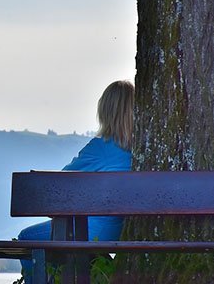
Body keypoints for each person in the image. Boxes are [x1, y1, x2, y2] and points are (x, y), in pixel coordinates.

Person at [17, 80, 134, 283]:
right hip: (123, 230)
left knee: (27, 238)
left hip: (96, 230)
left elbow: (60, 184)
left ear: (105, 111)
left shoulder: (101, 147)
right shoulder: (142, 148)